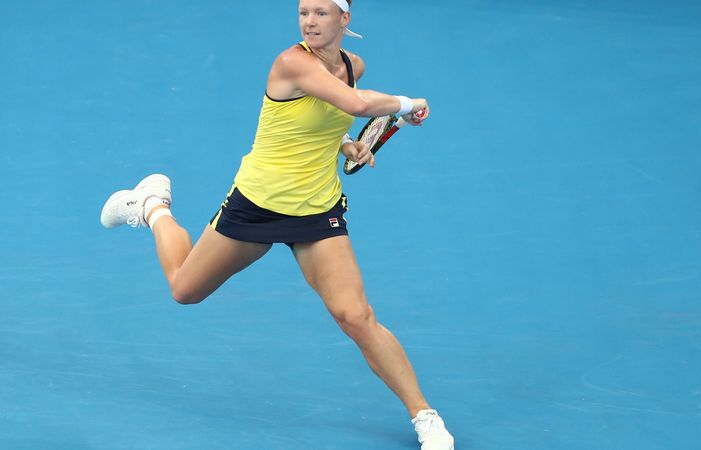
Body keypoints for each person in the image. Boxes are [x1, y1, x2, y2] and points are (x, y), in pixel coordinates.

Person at [100, 0, 454, 448]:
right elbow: (355, 103)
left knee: (356, 316)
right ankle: (152, 205)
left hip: (316, 211)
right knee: (183, 290)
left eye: (321, 13)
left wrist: (344, 144)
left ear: (345, 19)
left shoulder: (353, 64)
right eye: (304, 12)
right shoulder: (291, 62)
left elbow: (328, 115)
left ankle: (425, 416)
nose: (309, 20)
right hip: (257, 205)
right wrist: (407, 104)